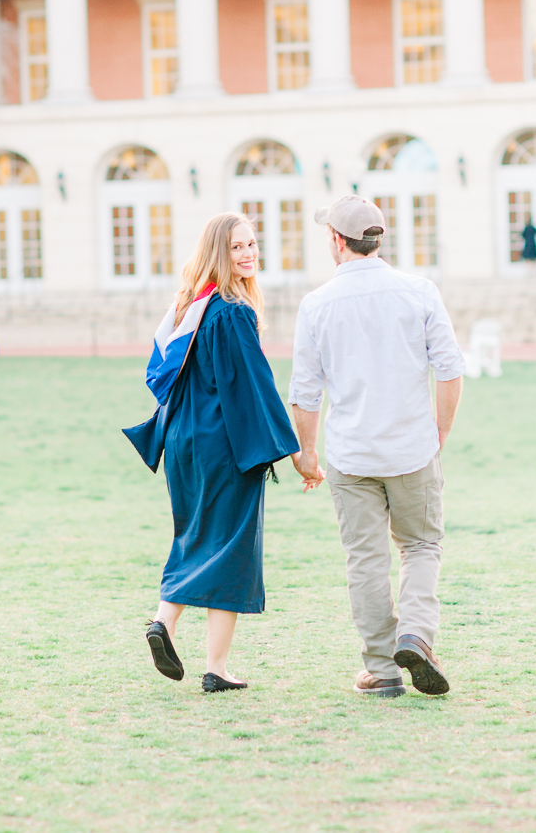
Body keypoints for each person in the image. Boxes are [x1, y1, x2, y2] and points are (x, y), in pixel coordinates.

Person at [289, 196, 465, 698]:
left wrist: (307, 452)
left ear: (337, 241)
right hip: (413, 447)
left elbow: (304, 392)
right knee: (421, 545)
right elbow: (450, 370)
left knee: (365, 560)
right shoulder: (420, 291)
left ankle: (382, 669)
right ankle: (415, 634)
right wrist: (440, 433)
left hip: (351, 454)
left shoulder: (317, 304)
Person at [123, 213, 299, 694]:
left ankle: (166, 622)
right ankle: (215, 666)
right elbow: (254, 387)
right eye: (236, 247)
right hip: (224, 445)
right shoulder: (232, 311)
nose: (247, 254)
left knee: (196, 535)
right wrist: (293, 450)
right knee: (233, 546)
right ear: (218, 253)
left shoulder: (189, 307)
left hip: (182, 442)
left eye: (251, 245)